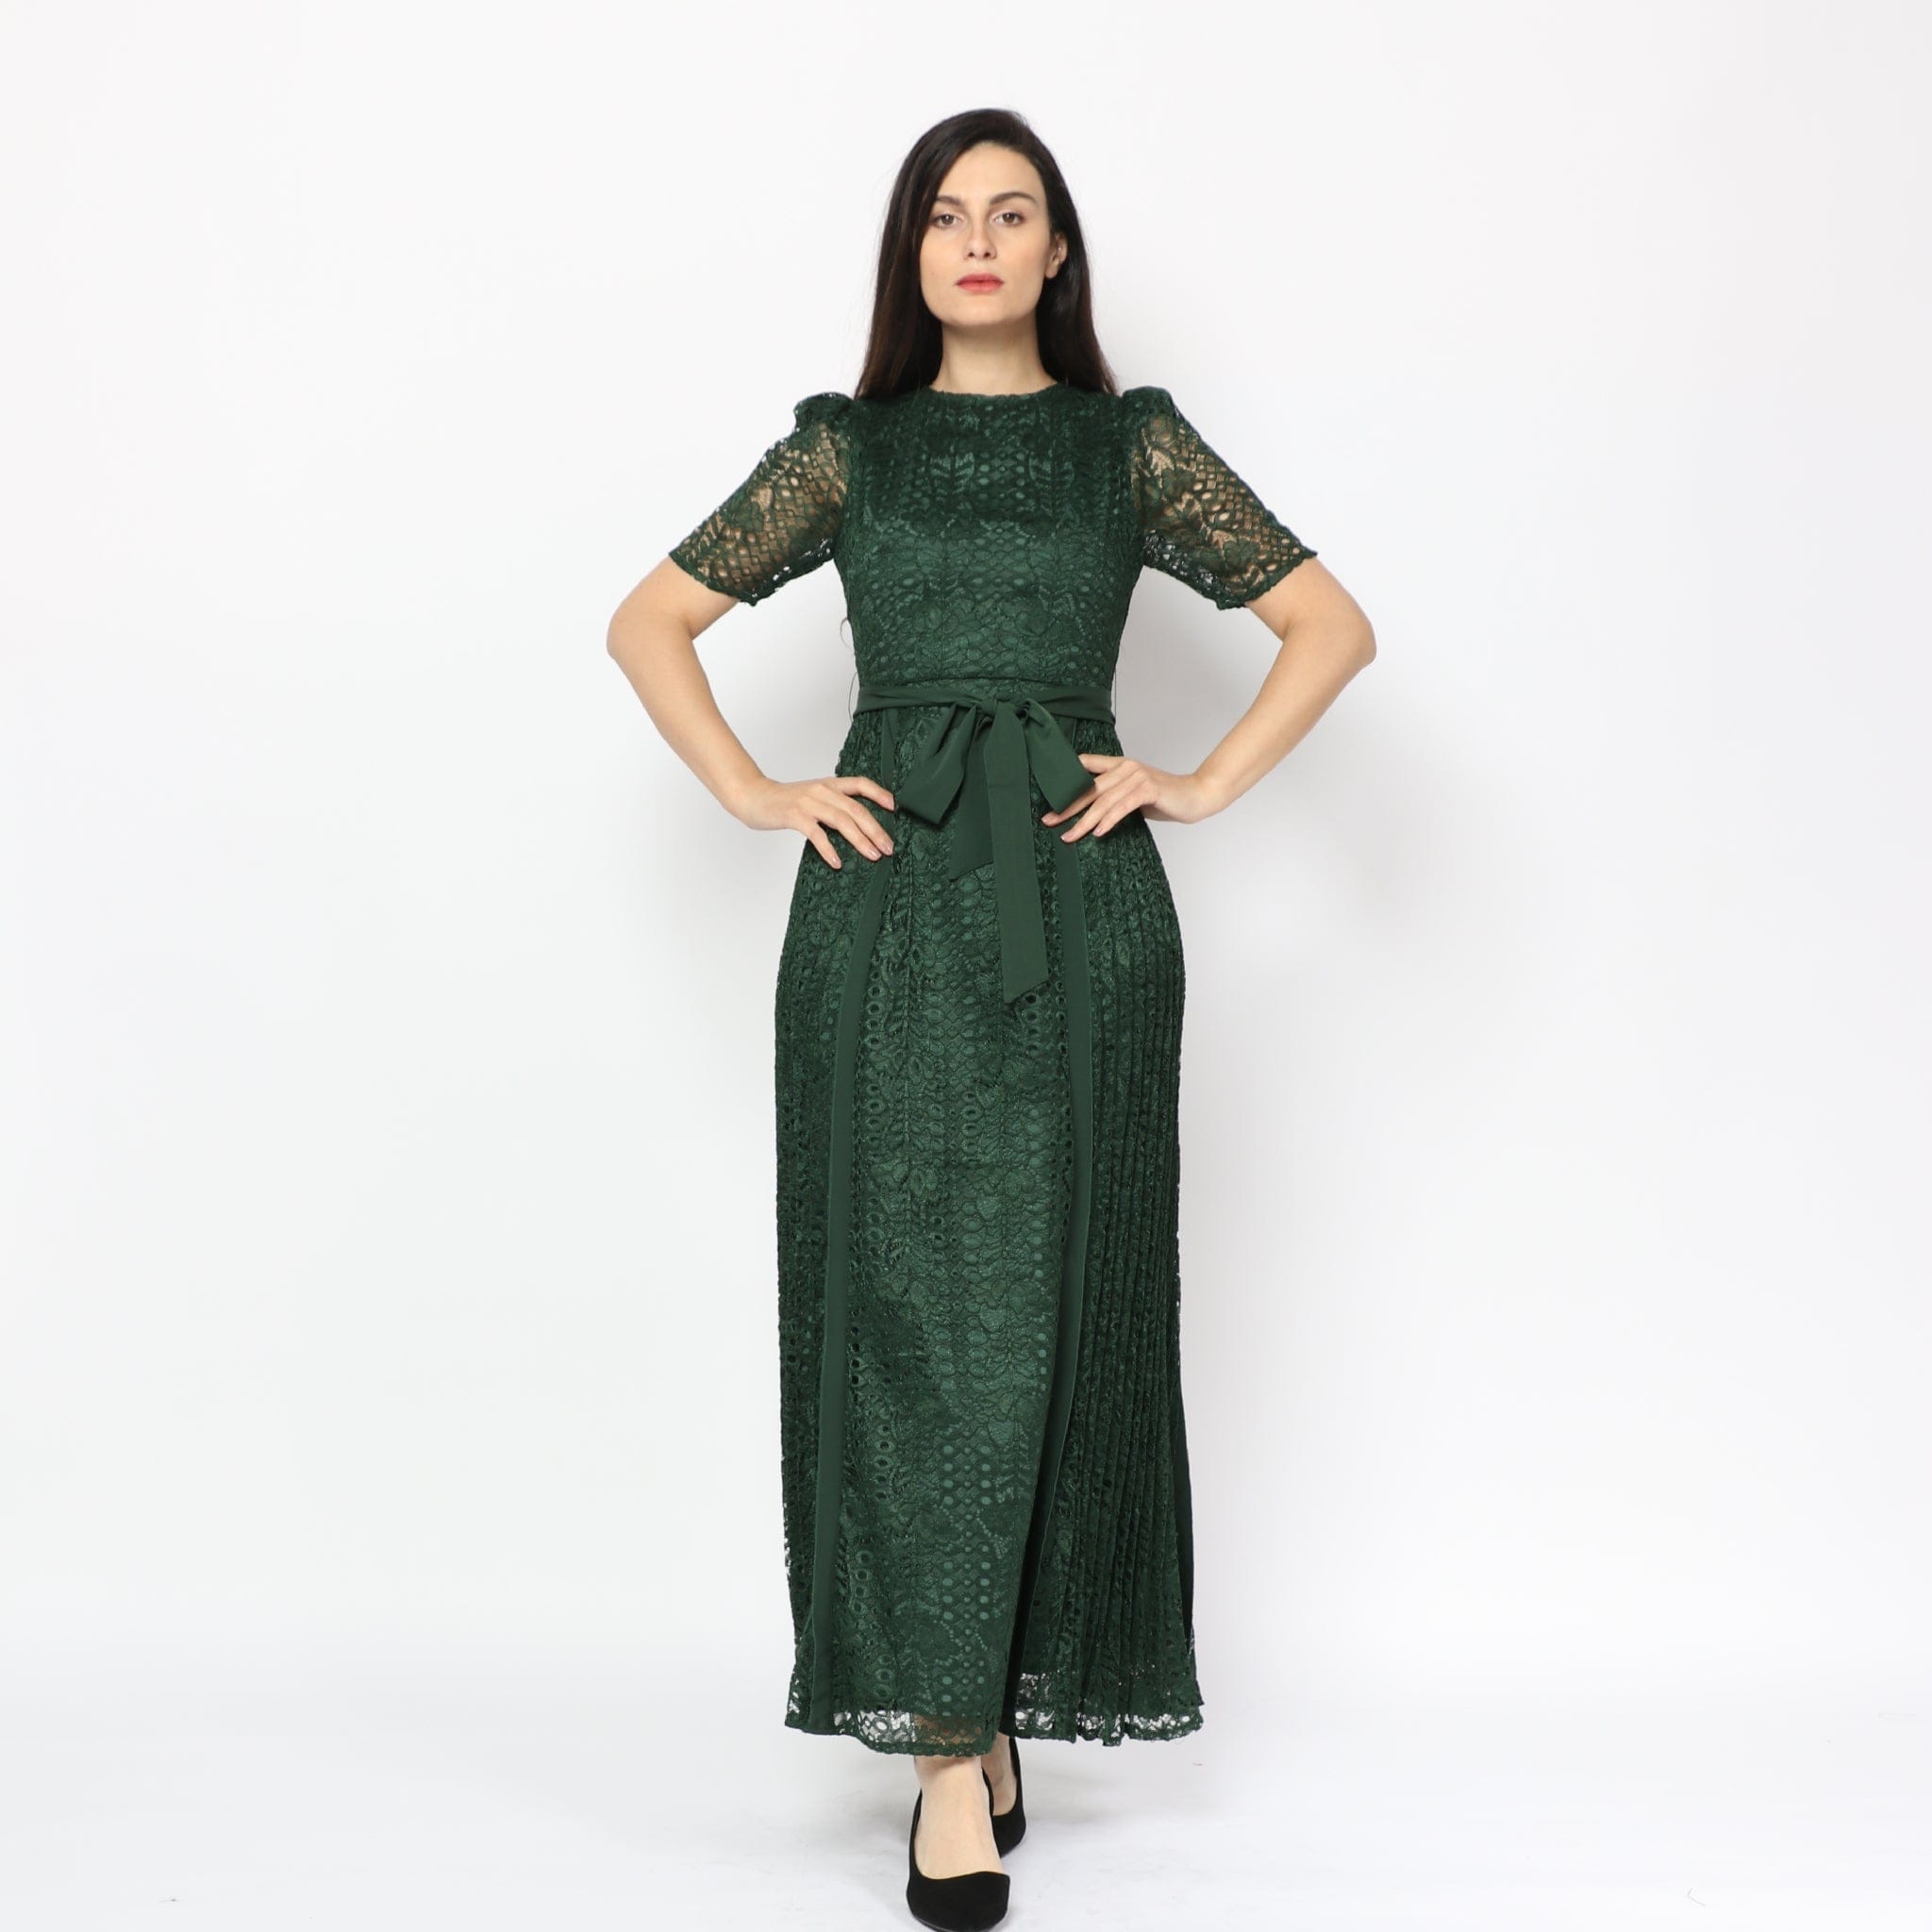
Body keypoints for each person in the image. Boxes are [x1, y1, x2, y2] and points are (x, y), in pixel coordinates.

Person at [607, 107, 1375, 1932]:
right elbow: (649, 623)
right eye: (945, 214)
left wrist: (1197, 780)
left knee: (1058, 1312)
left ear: (1055, 253)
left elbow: (1329, 627)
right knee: (905, 1321)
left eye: (1011, 212)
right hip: (883, 918)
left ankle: (999, 1693)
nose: (976, 239)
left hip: (1081, 915)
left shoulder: (1131, 447)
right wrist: (755, 791)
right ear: (914, 253)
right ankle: (950, 1754)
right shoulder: (849, 451)